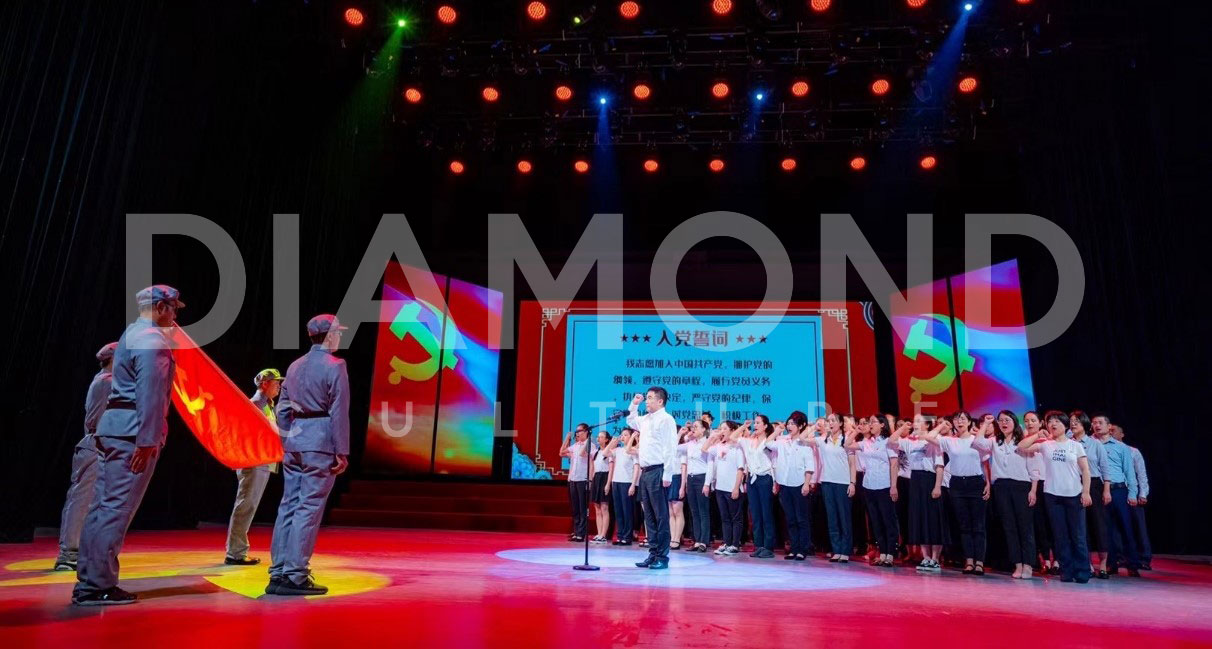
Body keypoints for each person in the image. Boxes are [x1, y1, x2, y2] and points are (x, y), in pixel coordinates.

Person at [72, 285, 183, 606]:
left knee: (102, 508)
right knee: (116, 510)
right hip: (133, 433)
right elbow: (151, 393)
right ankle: (97, 585)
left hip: (114, 428)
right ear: (161, 307)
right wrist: (147, 440)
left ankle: (90, 579)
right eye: (173, 309)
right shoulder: (153, 340)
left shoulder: (130, 334)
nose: (175, 317)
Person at [266, 314, 351, 597]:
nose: (340, 336)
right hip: (320, 441)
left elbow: (283, 409)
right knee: (309, 507)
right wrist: (341, 450)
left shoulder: (295, 365)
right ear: (330, 335)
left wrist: (287, 440)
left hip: (295, 440)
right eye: (338, 332)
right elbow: (339, 411)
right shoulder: (336, 365)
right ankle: (296, 575)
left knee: (288, 505)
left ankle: (278, 572)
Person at [54, 342, 117, 572]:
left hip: (101, 444)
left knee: (92, 502)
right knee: (82, 500)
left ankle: (79, 552)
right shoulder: (107, 382)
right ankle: (68, 554)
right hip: (96, 444)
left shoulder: (104, 380)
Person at [1019, 410, 1092, 583]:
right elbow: (1021, 447)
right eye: (1050, 421)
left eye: (1057, 421)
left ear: (1065, 425)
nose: (1053, 424)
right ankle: (1066, 571)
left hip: (1074, 494)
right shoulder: (1045, 444)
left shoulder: (1075, 445)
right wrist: (1037, 434)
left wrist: (1086, 492)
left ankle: (1082, 571)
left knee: (1078, 536)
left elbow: (1085, 470)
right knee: (1060, 536)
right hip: (1053, 495)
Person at [224, 368, 284, 565]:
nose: (279, 386)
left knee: (248, 505)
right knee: (245, 505)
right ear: (264, 384)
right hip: (253, 462)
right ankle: (235, 553)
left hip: (262, 462)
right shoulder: (255, 404)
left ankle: (237, 550)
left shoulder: (267, 405)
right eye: (276, 382)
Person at [921, 412, 993, 575]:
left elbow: (985, 463)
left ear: (969, 422)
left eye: (963, 419)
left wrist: (988, 483)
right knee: (964, 525)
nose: (959, 422)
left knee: (978, 525)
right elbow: (928, 436)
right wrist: (942, 424)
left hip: (976, 483)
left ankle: (979, 562)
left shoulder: (976, 440)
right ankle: (969, 561)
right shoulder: (949, 441)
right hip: (957, 484)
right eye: (956, 419)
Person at [626, 387, 678, 569]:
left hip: (658, 470)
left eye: (649, 398)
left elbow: (670, 448)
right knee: (649, 515)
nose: (646, 401)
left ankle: (662, 557)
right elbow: (630, 420)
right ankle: (653, 553)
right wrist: (634, 404)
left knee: (661, 516)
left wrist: (668, 474)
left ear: (660, 401)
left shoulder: (666, 419)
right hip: (646, 471)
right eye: (646, 398)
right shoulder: (646, 419)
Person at [889, 414, 946, 572]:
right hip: (915, 480)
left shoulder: (934, 440)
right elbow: (891, 440)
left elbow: (939, 466)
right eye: (915, 421)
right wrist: (902, 427)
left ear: (927, 425)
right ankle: (925, 557)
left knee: (933, 520)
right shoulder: (910, 442)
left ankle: (935, 558)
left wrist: (937, 486)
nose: (915, 423)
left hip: (930, 479)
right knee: (919, 518)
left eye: (919, 421)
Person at [799, 412, 857, 562]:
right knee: (832, 518)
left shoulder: (846, 440)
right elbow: (802, 438)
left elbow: (852, 464)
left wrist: (852, 483)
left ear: (841, 423)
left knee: (844, 518)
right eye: (828, 421)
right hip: (827, 482)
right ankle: (836, 550)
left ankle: (846, 551)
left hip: (843, 483)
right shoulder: (823, 440)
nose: (830, 423)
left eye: (833, 421)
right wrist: (812, 426)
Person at [1092, 414, 1142, 577]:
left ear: (1109, 426)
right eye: (1094, 423)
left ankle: (1132, 563)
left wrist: (1133, 493)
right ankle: (1111, 563)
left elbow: (1129, 471)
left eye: (1100, 422)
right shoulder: (1091, 444)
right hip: (1099, 490)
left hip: (1119, 489)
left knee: (1126, 527)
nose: (1097, 425)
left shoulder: (1121, 447)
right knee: (1105, 529)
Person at [990, 410, 1037, 579]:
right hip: (1001, 486)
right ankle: (1017, 564)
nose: (1004, 423)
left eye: (1007, 420)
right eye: (1001, 420)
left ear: (1015, 422)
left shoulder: (1023, 440)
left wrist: (1033, 490)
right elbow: (977, 443)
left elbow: (1033, 466)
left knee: (1025, 527)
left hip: (1021, 486)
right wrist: (986, 424)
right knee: (1009, 527)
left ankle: (1028, 564)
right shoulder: (995, 441)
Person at [851, 414, 901, 567]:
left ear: (882, 425)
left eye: (873, 422)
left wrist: (894, 486)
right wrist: (856, 430)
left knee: (888, 520)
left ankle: (891, 553)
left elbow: (894, 464)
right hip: (869, 485)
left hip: (885, 485)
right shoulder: (866, 442)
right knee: (876, 521)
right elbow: (846, 445)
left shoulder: (888, 442)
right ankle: (882, 552)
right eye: (869, 422)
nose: (870, 424)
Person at [1070, 410, 1111, 578]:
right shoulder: (1068, 443)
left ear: (1085, 424)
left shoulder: (1095, 444)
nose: (1073, 423)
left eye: (1077, 421)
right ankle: (1086, 564)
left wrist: (1106, 490)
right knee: (1080, 527)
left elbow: (1105, 468)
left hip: (1094, 485)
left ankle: (1103, 565)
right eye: (1071, 421)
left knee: (1099, 525)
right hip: (1074, 484)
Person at [770, 412, 813, 560]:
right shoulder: (783, 441)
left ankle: (803, 549)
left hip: (799, 484)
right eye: (788, 423)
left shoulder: (805, 444)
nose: (789, 426)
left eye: (793, 424)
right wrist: (777, 430)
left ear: (801, 426)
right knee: (790, 519)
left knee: (801, 519)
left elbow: (809, 467)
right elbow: (767, 443)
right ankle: (794, 548)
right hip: (785, 484)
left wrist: (806, 484)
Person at [1112, 425, 1152, 570]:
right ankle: (1121, 557)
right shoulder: (1106, 449)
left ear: (1122, 434)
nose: (1111, 433)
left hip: (1132, 492)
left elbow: (1141, 474)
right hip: (1117, 492)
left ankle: (1144, 558)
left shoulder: (1133, 451)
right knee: (1117, 526)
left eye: (1113, 431)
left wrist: (1143, 494)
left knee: (1138, 526)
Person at [736, 416, 776, 559]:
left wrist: (775, 482)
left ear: (765, 426)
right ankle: (759, 545)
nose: (755, 425)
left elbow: (774, 462)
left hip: (765, 478)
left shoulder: (769, 442)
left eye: (758, 423)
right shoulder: (748, 441)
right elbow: (733, 437)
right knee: (755, 514)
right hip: (752, 480)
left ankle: (768, 547)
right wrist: (743, 426)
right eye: (755, 423)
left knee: (766, 513)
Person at [703, 422, 745, 555]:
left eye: (725, 429)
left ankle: (735, 544)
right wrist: (713, 436)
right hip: (720, 488)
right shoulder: (718, 446)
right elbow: (704, 449)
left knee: (735, 518)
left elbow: (740, 469)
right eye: (721, 428)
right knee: (725, 517)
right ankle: (727, 543)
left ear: (732, 430)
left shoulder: (737, 447)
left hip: (732, 487)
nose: (722, 431)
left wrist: (736, 488)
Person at [1023, 411, 1057, 574]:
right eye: (1026, 421)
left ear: (1041, 423)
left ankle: (1057, 560)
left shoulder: (1048, 441)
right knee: (1039, 525)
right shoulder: (1023, 440)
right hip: (1030, 485)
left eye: (1033, 420)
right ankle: (1045, 560)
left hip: (1048, 484)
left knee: (1052, 523)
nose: (1029, 423)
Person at [681, 420, 713, 552]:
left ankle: (704, 542)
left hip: (702, 478)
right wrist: (682, 434)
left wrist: (707, 484)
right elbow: (675, 448)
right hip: (691, 478)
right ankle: (697, 540)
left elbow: (710, 465)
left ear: (703, 429)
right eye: (692, 427)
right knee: (694, 512)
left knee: (703, 511)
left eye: (696, 427)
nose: (693, 429)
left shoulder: (708, 443)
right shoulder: (690, 444)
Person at [559, 423, 593, 542]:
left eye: (580, 431)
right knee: (575, 507)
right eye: (576, 431)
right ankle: (576, 531)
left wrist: (587, 440)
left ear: (586, 432)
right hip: (573, 479)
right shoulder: (575, 445)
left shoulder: (591, 445)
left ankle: (581, 533)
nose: (577, 433)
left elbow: (583, 454)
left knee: (583, 507)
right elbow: (561, 453)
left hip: (583, 479)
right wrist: (567, 438)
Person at [607, 428, 637, 545]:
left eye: (625, 435)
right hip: (616, 482)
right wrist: (613, 442)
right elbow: (605, 453)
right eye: (622, 435)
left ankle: (627, 536)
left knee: (627, 510)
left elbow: (636, 469)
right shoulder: (618, 450)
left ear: (631, 437)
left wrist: (633, 485)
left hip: (626, 482)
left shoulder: (633, 450)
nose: (623, 437)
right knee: (618, 510)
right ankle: (620, 535)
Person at [667, 425, 690, 550]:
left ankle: (677, 538)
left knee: (677, 511)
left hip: (677, 479)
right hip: (668, 479)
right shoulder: (668, 448)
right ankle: (672, 538)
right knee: (671, 512)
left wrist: (682, 486)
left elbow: (684, 469)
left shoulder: (682, 449)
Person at [589, 430, 613, 544]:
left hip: (605, 477)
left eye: (601, 437)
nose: (598, 439)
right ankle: (599, 534)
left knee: (604, 507)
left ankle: (604, 534)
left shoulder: (610, 452)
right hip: (596, 478)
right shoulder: (596, 453)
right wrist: (591, 480)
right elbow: (593, 468)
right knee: (597, 508)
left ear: (607, 439)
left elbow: (611, 469)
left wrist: (608, 484)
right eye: (598, 437)